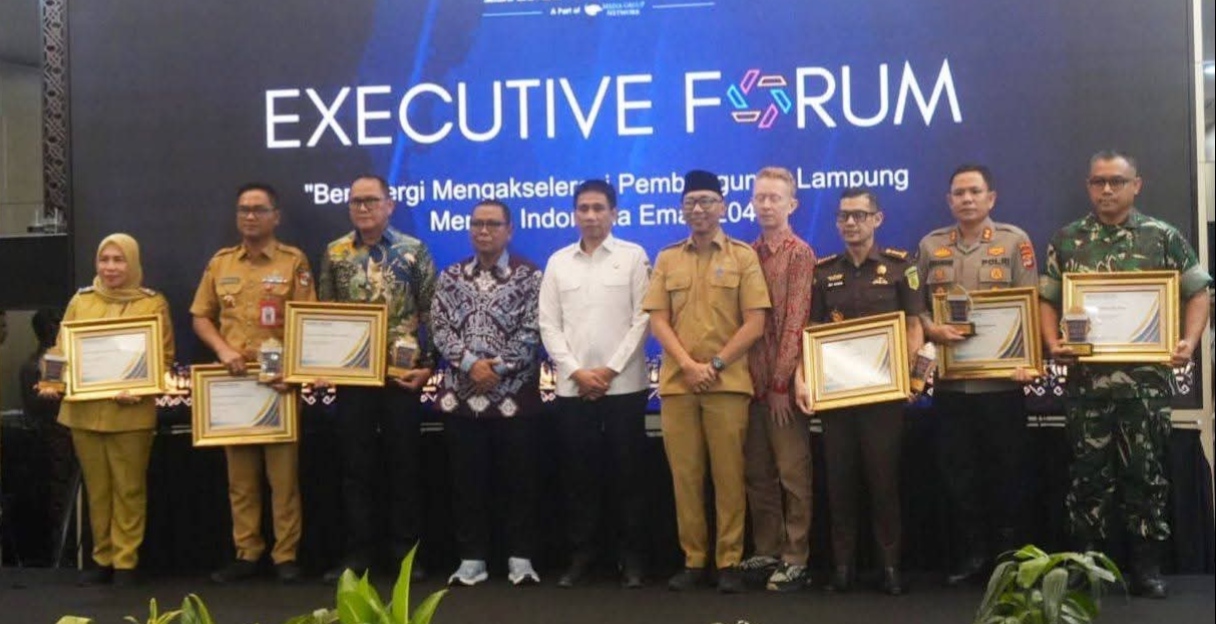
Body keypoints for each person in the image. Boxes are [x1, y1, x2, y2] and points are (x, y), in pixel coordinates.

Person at [1038, 150, 1212, 599]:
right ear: (1088, 186)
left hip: (1145, 386)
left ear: (1137, 185)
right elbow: (1047, 298)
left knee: (1145, 475)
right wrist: (1053, 342)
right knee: (1087, 478)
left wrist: (1189, 342)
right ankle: (1086, 565)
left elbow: (1198, 292)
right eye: (1098, 182)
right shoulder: (1068, 239)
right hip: (1086, 386)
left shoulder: (1163, 237)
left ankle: (1146, 567)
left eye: (1116, 181)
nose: (1107, 190)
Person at [641, 170, 770, 593]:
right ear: (682, 208)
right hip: (679, 386)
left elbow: (755, 323)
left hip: (727, 384)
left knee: (730, 476)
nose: (698, 209)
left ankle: (729, 561)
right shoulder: (668, 258)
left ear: (723, 207)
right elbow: (658, 321)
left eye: (707, 201)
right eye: (691, 201)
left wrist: (713, 365)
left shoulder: (743, 257)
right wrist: (687, 365)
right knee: (686, 476)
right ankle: (694, 560)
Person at [796, 188, 924, 596]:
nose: (850, 223)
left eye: (859, 215)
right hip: (837, 397)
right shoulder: (823, 272)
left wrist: (913, 377)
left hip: (884, 398)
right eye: (843, 216)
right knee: (840, 484)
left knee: (884, 483)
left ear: (877, 219)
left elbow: (914, 326)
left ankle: (890, 567)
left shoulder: (901, 267)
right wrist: (803, 377)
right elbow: (811, 333)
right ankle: (843, 568)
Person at [915, 165, 1037, 585]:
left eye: (974, 191)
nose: (967, 199)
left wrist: (1027, 358)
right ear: (949, 200)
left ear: (991, 197)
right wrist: (931, 329)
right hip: (952, 386)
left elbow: (1030, 304)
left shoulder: (1015, 241)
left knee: (1008, 473)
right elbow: (917, 309)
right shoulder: (930, 246)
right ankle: (972, 555)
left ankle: (1008, 558)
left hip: (1002, 384)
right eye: (959, 193)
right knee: (959, 475)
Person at [190, 183, 315, 584]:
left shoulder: (294, 262)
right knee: (240, 480)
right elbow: (200, 316)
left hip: (279, 383)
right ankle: (247, 552)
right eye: (243, 209)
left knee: (284, 480)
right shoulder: (221, 263)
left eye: (259, 209)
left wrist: (292, 370)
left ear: (276, 216)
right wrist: (222, 349)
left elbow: (308, 320)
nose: (250, 216)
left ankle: (285, 555)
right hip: (235, 381)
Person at [318, 174, 437, 583]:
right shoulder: (335, 252)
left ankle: (406, 556)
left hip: (402, 378)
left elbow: (430, 311)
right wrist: (321, 364)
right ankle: (359, 556)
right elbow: (324, 313)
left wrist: (429, 366)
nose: (363, 208)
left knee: (405, 466)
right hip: (353, 378)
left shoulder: (413, 250)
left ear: (390, 205)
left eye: (371, 200)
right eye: (356, 201)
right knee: (356, 469)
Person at [39, 233, 175, 586]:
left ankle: (126, 561)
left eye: (119, 260)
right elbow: (60, 349)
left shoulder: (152, 303)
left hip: (131, 413)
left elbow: (164, 359)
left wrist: (141, 387)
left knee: (129, 490)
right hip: (84, 412)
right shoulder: (81, 300)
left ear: (133, 263)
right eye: (104, 260)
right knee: (97, 491)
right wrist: (52, 381)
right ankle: (102, 559)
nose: (110, 267)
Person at [538, 180, 652, 589]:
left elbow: (644, 318)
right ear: (574, 214)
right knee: (579, 477)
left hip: (624, 387)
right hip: (573, 390)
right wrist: (576, 372)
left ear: (614, 213)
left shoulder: (633, 256)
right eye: (583, 208)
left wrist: (608, 371)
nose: (590, 215)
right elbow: (548, 324)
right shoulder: (558, 262)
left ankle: (631, 558)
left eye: (598, 208)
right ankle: (581, 557)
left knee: (628, 476)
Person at [432, 199, 544, 587]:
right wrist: (470, 364)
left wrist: (495, 368)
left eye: (493, 224)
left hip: (514, 400)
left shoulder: (530, 276)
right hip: (462, 401)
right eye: (477, 223)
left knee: (519, 483)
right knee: (467, 484)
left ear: (509, 230)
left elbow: (534, 330)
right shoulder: (450, 276)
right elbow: (439, 327)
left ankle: (520, 558)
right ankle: (471, 559)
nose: (484, 230)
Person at [737, 167, 816, 592]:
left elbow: (795, 322)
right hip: (749, 387)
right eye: (760, 197)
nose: (766, 205)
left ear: (792, 204)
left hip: (782, 389)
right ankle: (767, 549)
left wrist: (781, 383)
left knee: (792, 474)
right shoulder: (745, 254)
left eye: (775, 198)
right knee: (758, 473)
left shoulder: (799, 254)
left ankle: (796, 556)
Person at [20, 307, 75, 564]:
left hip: (57, 437)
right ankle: (60, 555)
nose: (57, 328)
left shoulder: (52, 360)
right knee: (58, 497)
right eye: (55, 324)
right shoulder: (41, 364)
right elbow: (38, 406)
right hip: (53, 438)